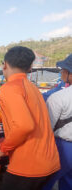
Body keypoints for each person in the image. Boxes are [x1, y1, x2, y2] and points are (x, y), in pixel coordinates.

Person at [0, 46, 60, 190]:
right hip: (48, 162)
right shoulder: (32, 87)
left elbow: (24, 125)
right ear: (30, 68)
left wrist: (2, 148)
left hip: (28, 167)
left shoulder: (10, 88)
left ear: (5, 65)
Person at [43, 54, 72, 190]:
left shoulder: (57, 97)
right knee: (69, 182)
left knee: (45, 181)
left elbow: (47, 129)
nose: (61, 72)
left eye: (64, 69)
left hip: (63, 147)